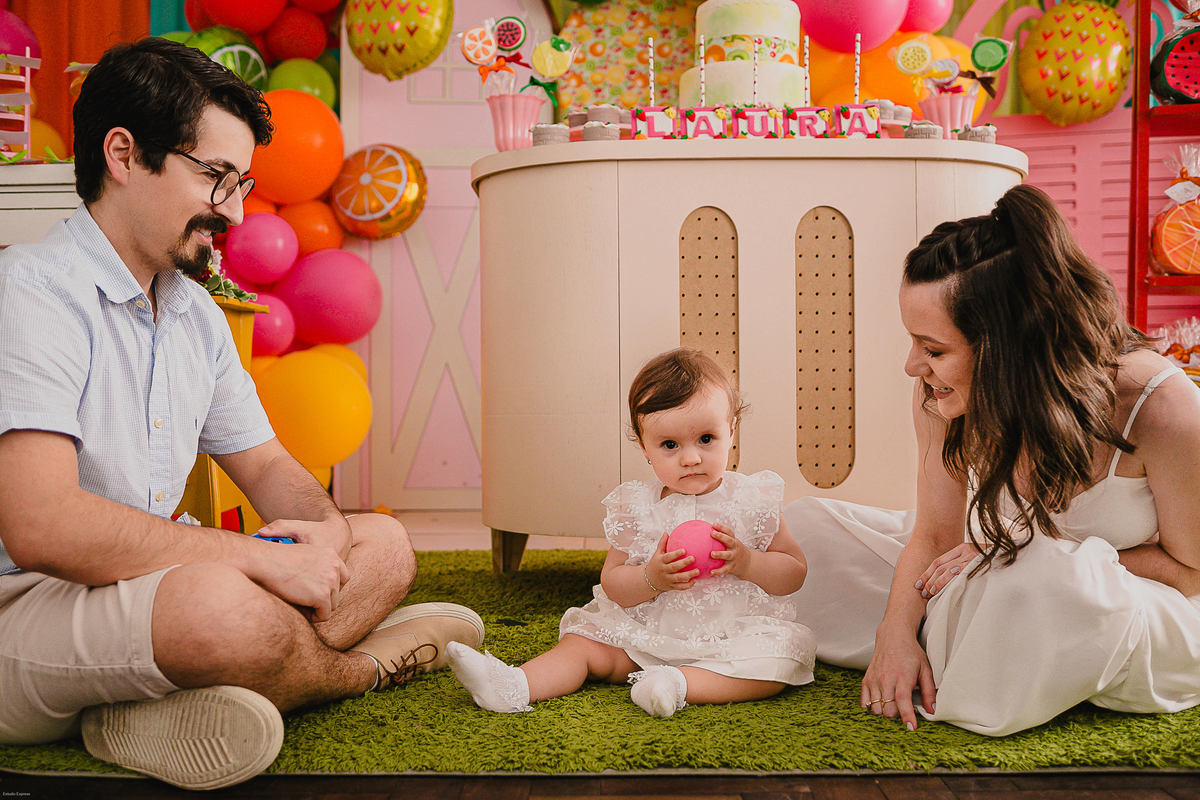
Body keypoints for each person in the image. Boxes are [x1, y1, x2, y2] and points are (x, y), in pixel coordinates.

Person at [0, 37, 483, 790]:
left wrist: (321, 538)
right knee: (224, 609)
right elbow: (43, 527)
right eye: (216, 177)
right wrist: (262, 560)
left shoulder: (192, 312)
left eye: (243, 183)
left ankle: (147, 707)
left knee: (382, 543)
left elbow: (266, 466)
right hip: (26, 604)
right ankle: (365, 668)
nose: (234, 209)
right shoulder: (30, 292)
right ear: (123, 155)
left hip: (151, 590)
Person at [785, 183, 1200, 736]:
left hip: (1118, 605)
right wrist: (894, 634)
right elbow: (934, 538)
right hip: (989, 568)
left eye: (933, 349)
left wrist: (1019, 548)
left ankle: (979, 643)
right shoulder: (941, 395)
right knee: (806, 534)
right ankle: (959, 643)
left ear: (1009, 347)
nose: (913, 366)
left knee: (1039, 582)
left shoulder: (1162, 408)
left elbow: (1192, 573)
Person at [446, 348, 814, 718]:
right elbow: (613, 583)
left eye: (706, 439)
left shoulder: (751, 501)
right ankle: (512, 685)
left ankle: (677, 683)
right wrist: (650, 577)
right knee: (582, 645)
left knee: (779, 660)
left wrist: (748, 562)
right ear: (644, 447)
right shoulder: (638, 507)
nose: (691, 458)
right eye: (670, 445)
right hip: (644, 638)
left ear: (731, 430)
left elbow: (793, 570)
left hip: (732, 640)